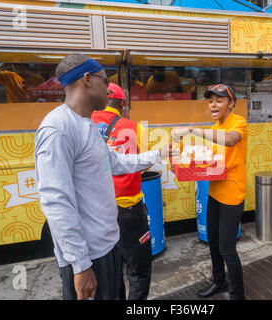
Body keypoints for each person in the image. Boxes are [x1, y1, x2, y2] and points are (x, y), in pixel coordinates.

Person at [34, 53, 171, 300]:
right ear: (87, 79)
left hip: (108, 246)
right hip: (89, 258)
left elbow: (115, 161)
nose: (109, 90)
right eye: (105, 82)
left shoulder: (86, 125)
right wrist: (81, 265)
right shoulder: (58, 129)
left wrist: (157, 155)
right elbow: (56, 201)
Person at [172, 84, 248, 300]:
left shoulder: (238, 122)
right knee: (213, 243)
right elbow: (212, 161)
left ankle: (238, 294)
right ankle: (219, 283)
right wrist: (181, 163)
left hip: (232, 193)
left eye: (219, 100)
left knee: (227, 248)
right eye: (210, 100)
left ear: (231, 103)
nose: (213, 104)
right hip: (214, 193)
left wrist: (192, 130)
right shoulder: (215, 127)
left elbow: (232, 140)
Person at [91, 83, 152, 300]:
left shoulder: (84, 125)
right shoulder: (135, 127)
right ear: (122, 103)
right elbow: (144, 164)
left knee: (110, 267)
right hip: (129, 209)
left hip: (98, 211)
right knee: (138, 267)